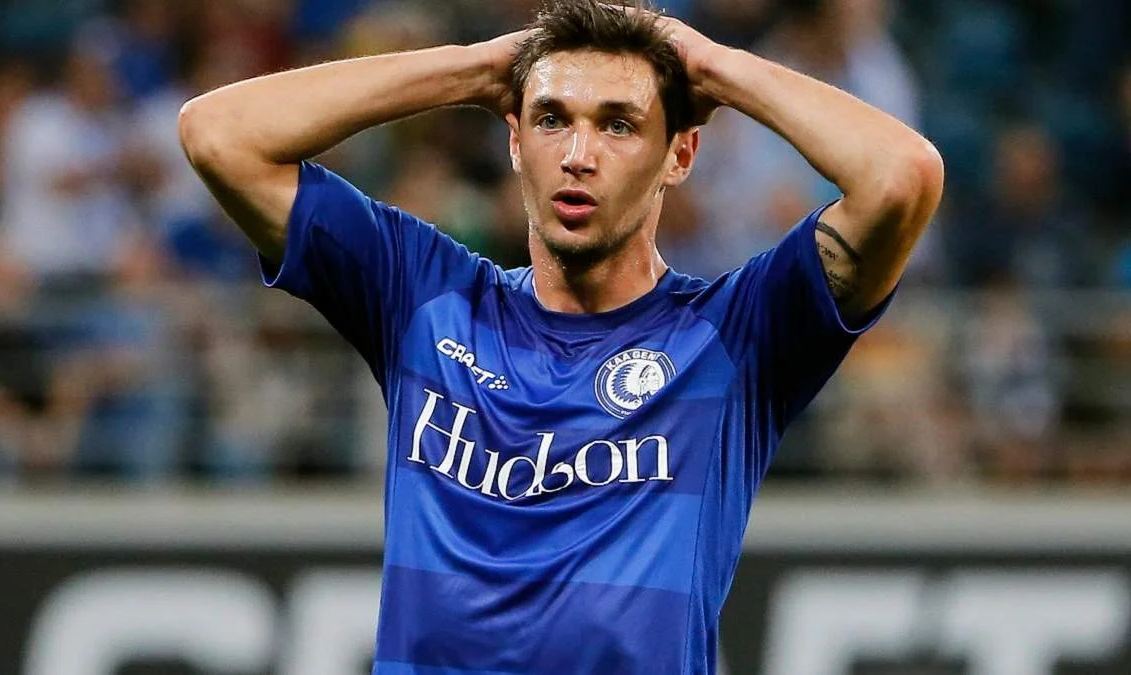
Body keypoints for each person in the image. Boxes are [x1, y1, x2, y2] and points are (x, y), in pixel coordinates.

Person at [178, 0, 943, 671]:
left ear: (679, 153)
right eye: (551, 119)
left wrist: (711, 64)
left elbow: (902, 176)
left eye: (618, 124)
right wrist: (476, 68)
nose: (578, 156)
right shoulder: (421, 295)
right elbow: (217, 134)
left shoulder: (733, 338)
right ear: (514, 141)